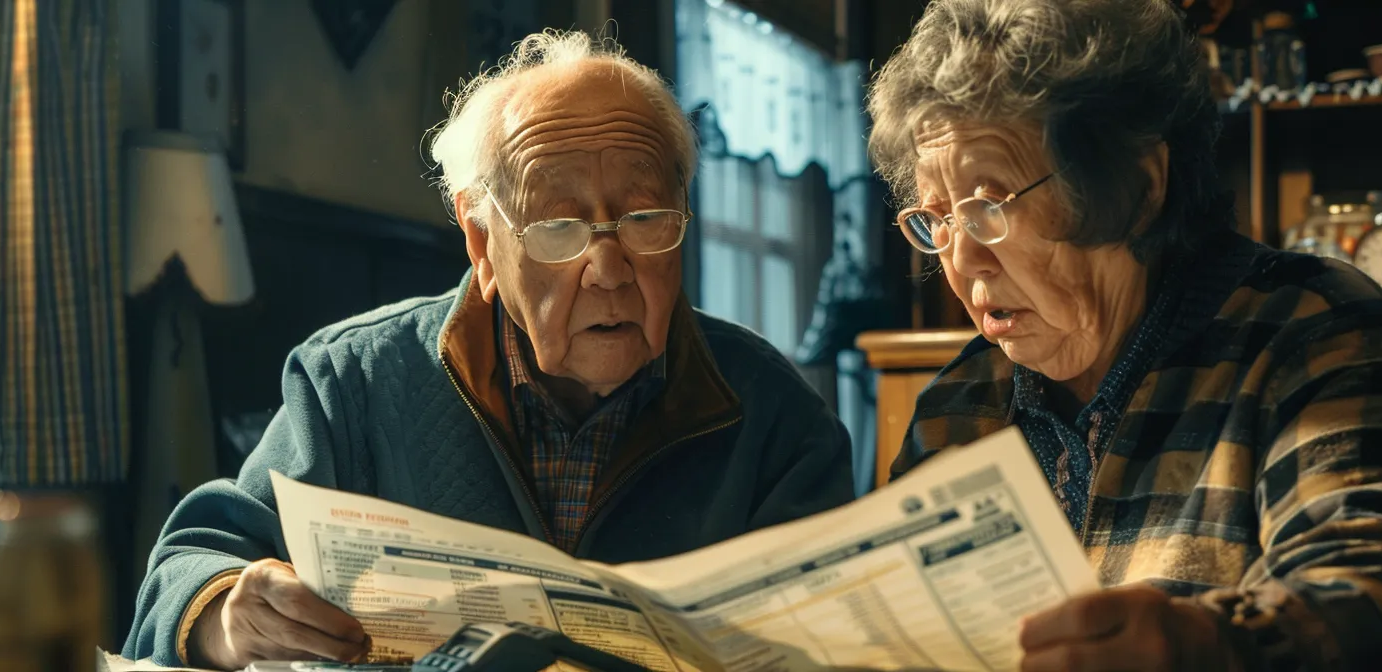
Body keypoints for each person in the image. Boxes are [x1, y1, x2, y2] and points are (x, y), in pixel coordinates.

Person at [122, 32, 854, 668]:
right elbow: (186, 565)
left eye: (643, 218)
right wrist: (227, 612)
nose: (608, 269)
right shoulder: (354, 381)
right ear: (480, 239)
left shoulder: (773, 415)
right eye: (560, 227)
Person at [867, 1, 1382, 670]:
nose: (961, 260)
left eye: (991, 204)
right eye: (935, 220)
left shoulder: (1309, 327)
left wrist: (1218, 644)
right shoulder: (960, 405)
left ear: (1138, 187)